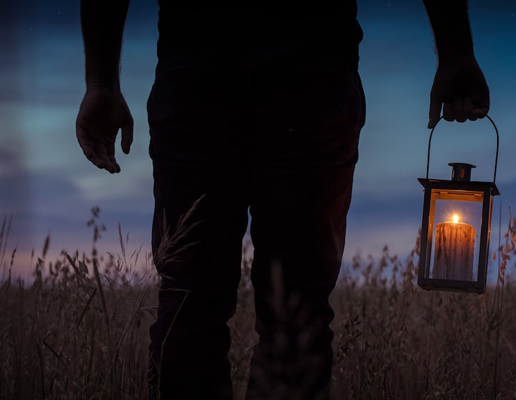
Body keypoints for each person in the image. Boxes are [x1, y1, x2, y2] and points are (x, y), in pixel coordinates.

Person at [75, 0, 489, 399]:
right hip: (312, 71)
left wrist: (102, 80)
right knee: (296, 316)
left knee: (189, 308)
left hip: (199, 70)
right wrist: (455, 53)